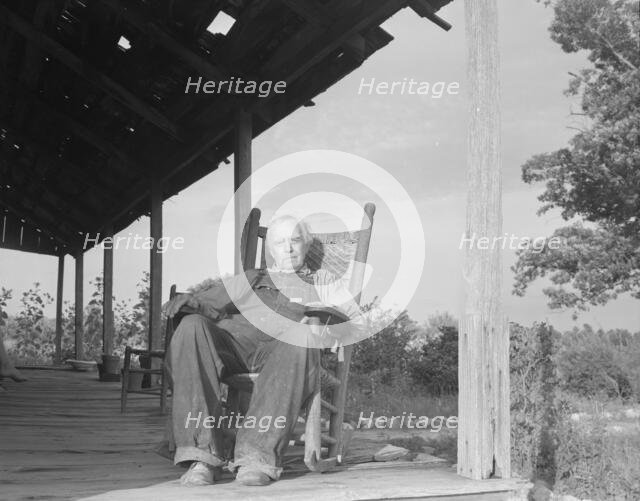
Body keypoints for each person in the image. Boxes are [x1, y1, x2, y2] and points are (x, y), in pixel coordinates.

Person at [162, 215, 363, 487]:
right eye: (280, 242)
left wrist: (324, 327)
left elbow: (356, 322)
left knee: (301, 336)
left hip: (286, 354)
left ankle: (256, 457)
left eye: (295, 241)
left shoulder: (323, 281)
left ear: (307, 246)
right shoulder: (252, 277)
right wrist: (190, 302)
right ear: (271, 250)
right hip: (236, 345)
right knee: (191, 325)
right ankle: (201, 457)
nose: (289, 248)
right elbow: (206, 303)